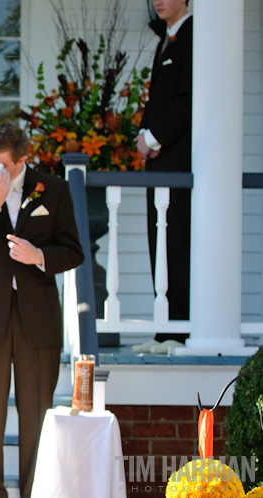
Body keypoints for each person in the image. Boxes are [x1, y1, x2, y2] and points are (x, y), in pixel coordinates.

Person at [0, 121, 83, 498]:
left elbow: (74, 250)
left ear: (23, 159)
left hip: (37, 319)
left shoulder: (53, 190)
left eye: (1, 165)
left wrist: (39, 255)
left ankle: (35, 492)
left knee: (37, 419)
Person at [134, 0, 192, 354]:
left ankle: (178, 329)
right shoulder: (167, 38)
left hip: (177, 160)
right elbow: (159, 99)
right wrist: (143, 133)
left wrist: (153, 137)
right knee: (161, 239)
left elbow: (188, 99)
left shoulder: (193, 36)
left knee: (178, 240)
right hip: (159, 162)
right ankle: (164, 329)